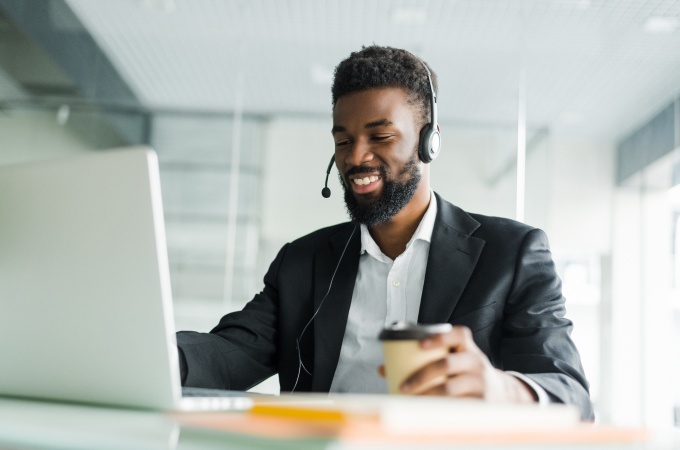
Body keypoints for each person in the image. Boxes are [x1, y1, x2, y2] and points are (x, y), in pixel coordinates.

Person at [177, 45, 594, 420]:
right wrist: (149, 352)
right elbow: (227, 355)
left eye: (380, 136)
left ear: (428, 142)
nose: (356, 157)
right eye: (343, 141)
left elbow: (571, 396)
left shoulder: (512, 253)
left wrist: (503, 389)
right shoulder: (302, 262)